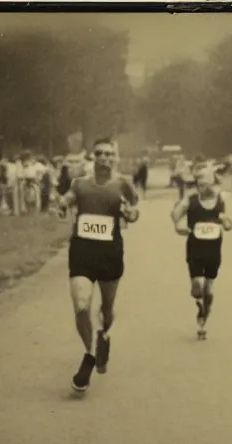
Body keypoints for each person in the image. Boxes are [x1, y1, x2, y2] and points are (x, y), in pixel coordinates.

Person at [57, 138, 140, 393]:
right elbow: (69, 198)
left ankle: (103, 335)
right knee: (82, 306)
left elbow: (135, 210)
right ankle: (89, 355)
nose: (104, 158)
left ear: (115, 157)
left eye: (109, 154)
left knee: (106, 308)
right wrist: (62, 204)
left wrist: (130, 213)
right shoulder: (80, 184)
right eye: (99, 154)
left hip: (110, 254)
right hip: (82, 252)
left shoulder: (122, 182)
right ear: (93, 157)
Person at [170, 171, 232, 340]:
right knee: (197, 286)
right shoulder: (190, 201)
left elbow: (223, 217)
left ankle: (203, 318)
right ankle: (199, 301)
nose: (204, 187)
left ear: (214, 185)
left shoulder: (219, 201)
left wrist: (227, 223)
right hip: (195, 248)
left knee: (209, 289)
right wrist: (178, 226)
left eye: (207, 184)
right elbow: (176, 214)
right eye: (201, 184)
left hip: (214, 249)